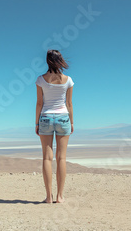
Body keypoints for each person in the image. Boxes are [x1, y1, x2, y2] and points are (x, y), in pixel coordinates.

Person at [35, 49, 74, 204]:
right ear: (60, 60)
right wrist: (71, 122)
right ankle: (60, 196)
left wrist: (36, 123)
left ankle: (49, 197)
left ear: (47, 61)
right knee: (61, 158)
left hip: (45, 118)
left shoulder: (41, 79)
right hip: (63, 118)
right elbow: (69, 103)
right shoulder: (68, 80)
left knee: (46, 157)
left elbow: (39, 103)